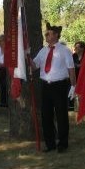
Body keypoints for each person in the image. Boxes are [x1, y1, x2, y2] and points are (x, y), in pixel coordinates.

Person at [32, 22, 76, 153]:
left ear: (56, 35)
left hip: (60, 86)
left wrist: (74, 85)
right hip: (46, 85)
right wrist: (27, 57)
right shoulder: (43, 50)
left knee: (61, 115)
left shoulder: (64, 50)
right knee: (46, 115)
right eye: (46, 33)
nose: (46, 35)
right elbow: (34, 66)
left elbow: (71, 69)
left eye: (49, 33)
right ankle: (50, 143)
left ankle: (63, 143)